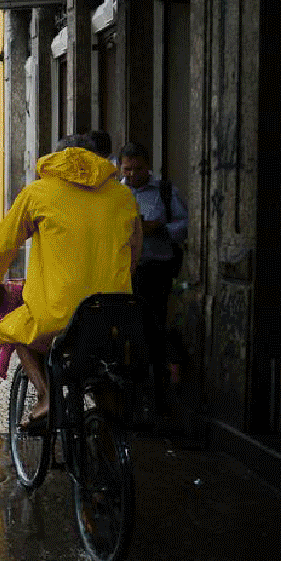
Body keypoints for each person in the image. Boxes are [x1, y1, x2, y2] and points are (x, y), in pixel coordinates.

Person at [0, 135, 142, 426]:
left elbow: (3, 247)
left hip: (57, 314)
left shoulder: (37, 193)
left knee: (17, 330)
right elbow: (135, 248)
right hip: (113, 311)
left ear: (56, 158)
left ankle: (47, 397)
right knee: (104, 357)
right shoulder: (123, 195)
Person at [119, 141, 188, 393]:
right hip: (126, 269)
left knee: (153, 317)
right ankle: (137, 372)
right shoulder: (116, 194)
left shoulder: (165, 191)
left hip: (157, 265)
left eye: (137, 168)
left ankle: (163, 369)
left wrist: (160, 229)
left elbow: (184, 225)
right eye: (127, 169)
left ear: (148, 167)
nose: (132, 174)